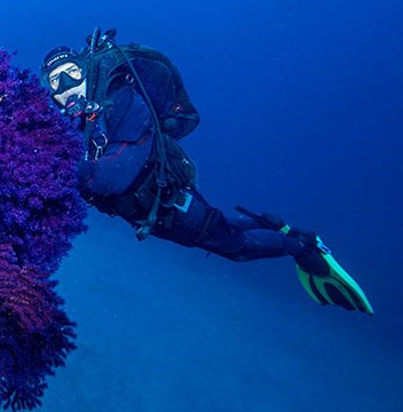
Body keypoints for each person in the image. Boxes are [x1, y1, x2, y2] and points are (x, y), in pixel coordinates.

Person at [41, 28, 373, 315]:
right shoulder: (80, 125)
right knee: (225, 225)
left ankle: (305, 249)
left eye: (72, 73)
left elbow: (118, 174)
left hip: (173, 207)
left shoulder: (125, 101)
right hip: (149, 211)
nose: (66, 85)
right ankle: (272, 223)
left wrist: (64, 171)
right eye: (55, 81)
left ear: (89, 70)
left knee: (236, 248)